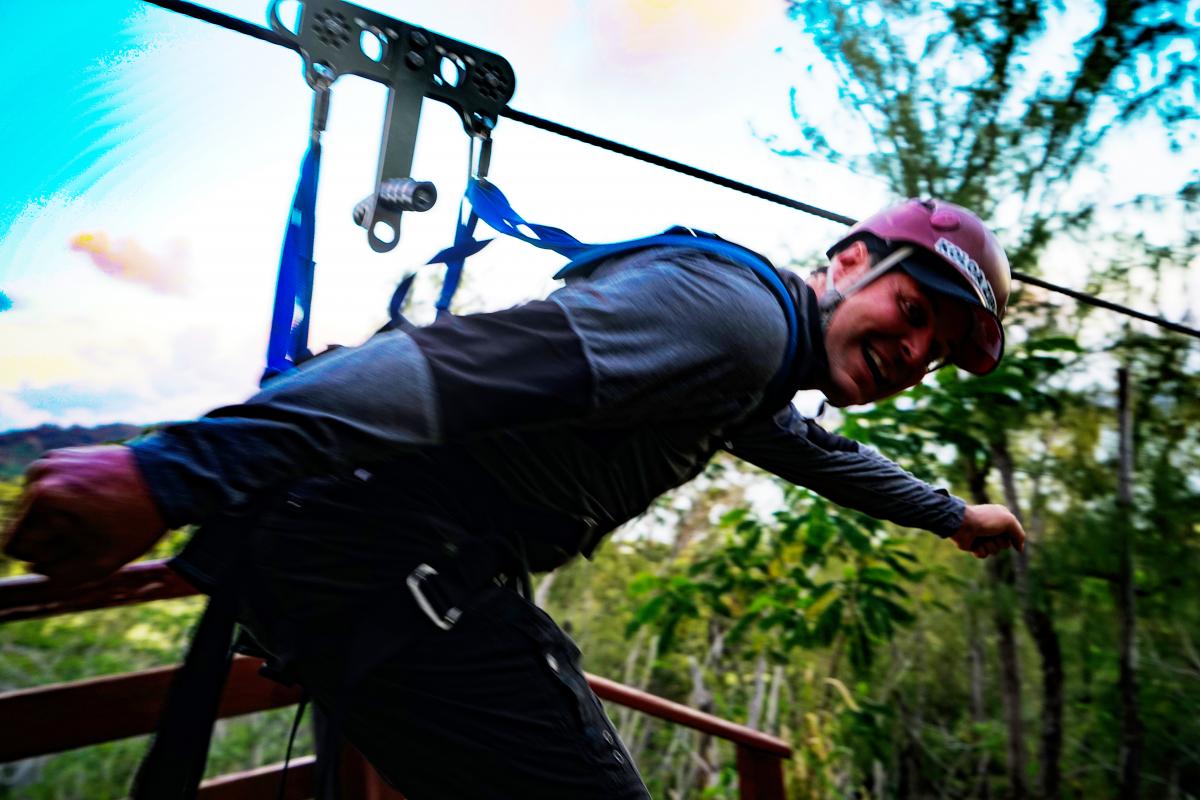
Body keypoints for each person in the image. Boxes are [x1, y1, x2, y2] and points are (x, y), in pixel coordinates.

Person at [4, 198, 1025, 798]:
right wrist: (167, 470)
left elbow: (811, 451)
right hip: (383, 557)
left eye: (940, 345)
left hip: (374, 563)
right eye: (912, 306)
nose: (916, 349)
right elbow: (444, 368)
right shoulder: (740, 322)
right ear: (852, 260)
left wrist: (949, 512)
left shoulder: (758, 367)